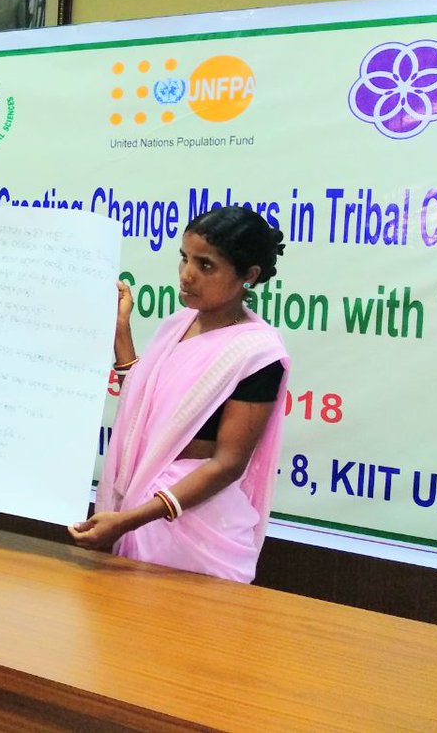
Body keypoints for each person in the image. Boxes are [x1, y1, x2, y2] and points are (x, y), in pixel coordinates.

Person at [69, 206, 289, 583]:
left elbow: (227, 464)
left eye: (206, 266)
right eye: (185, 258)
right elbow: (141, 407)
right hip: (140, 516)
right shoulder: (179, 325)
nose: (187, 275)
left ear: (249, 276)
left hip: (196, 531)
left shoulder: (257, 353)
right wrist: (121, 331)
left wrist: (128, 521)